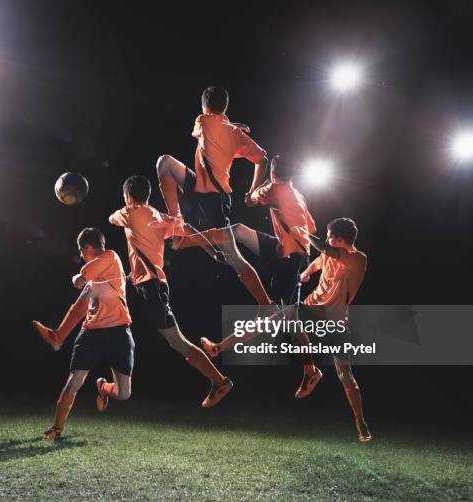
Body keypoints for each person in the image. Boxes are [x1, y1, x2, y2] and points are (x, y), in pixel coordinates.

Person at [194, 154, 322, 398]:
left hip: (291, 260)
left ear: (273, 174)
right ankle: (310, 371)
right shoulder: (299, 194)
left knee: (275, 317)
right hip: (284, 249)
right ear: (293, 175)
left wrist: (253, 191)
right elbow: (312, 228)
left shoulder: (275, 188)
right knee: (239, 231)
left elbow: (251, 200)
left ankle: (220, 348)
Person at [109, 175, 233, 407]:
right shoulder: (158, 216)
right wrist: (213, 252)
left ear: (127, 196)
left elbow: (111, 218)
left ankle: (219, 381)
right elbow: (188, 229)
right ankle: (111, 386)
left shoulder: (128, 212)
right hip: (146, 285)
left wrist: (128, 210)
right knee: (112, 312)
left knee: (178, 342)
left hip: (151, 287)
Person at [155, 85, 273, 306]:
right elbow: (262, 160)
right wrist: (252, 192)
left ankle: (265, 303)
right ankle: (175, 218)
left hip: (213, 203)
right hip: (206, 192)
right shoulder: (234, 134)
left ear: (205, 106)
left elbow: (205, 133)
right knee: (166, 162)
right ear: (224, 107)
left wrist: (231, 126)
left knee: (164, 162)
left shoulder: (202, 121)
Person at [32, 228, 134, 440]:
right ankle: (57, 428)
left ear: (87, 248)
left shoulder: (111, 257)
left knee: (124, 394)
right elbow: (86, 285)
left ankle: (103, 387)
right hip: (91, 333)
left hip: (118, 332)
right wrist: (84, 281)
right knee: (74, 381)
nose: (80, 255)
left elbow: (80, 280)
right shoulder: (100, 274)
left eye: (81, 251)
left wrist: (78, 277)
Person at [299, 217, 372, 442]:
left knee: (345, 375)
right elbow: (319, 261)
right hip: (313, 308)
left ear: (340, 240)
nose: (326, 238)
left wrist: (303, 232)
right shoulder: (329, 255)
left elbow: (323, 248)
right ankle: (310, 373)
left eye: (330, 236)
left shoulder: (357, 259)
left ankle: (360, 422)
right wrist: (306, 273)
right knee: (286, 319)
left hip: (337, 321)